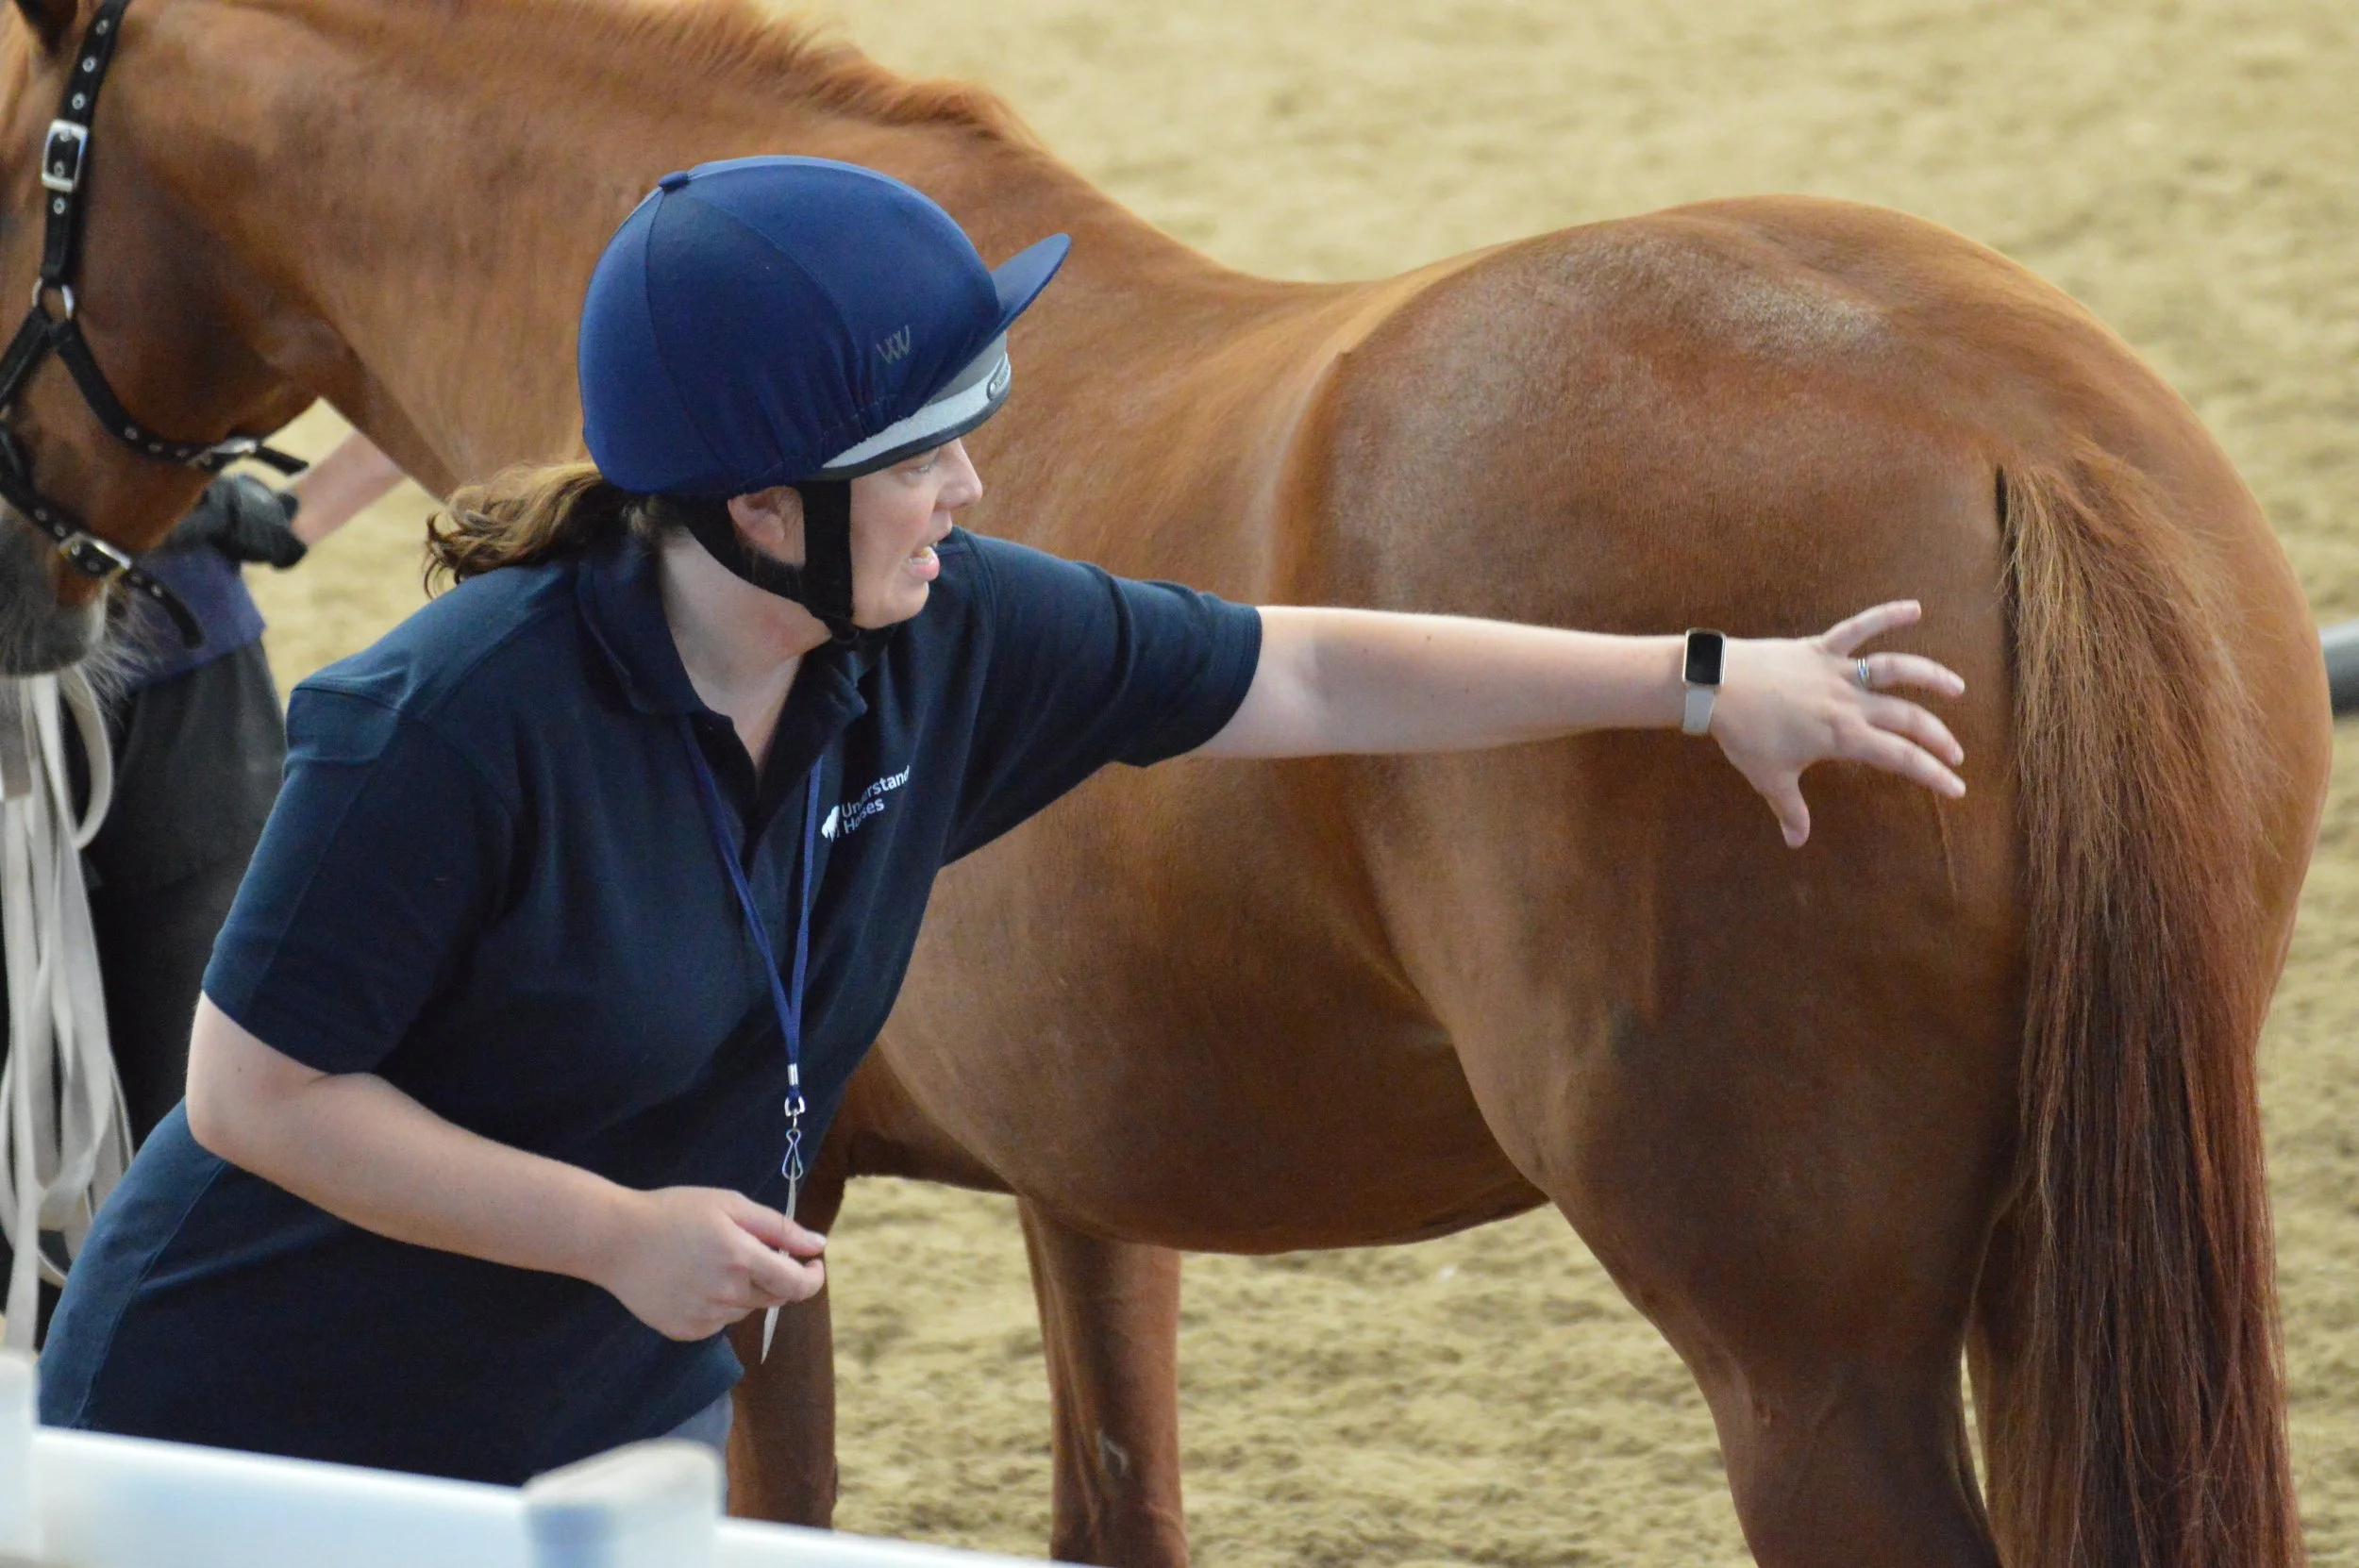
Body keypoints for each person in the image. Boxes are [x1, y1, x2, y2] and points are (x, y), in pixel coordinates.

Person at [37, 158, 1966, 1485]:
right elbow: (257, 1099)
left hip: (599, 1418)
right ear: (763, 509)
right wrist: (610, 1234)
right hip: (254, 1429)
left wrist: (1702, 681)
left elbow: (1298, 674)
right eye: (925, 446)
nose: (973, 479)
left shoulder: (941, 635)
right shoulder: (440, 723)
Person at [0, 431, 403, 1330]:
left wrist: (252, 516)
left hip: (182, 675)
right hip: (160, 670)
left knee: (209, 1153)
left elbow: (417, 346)